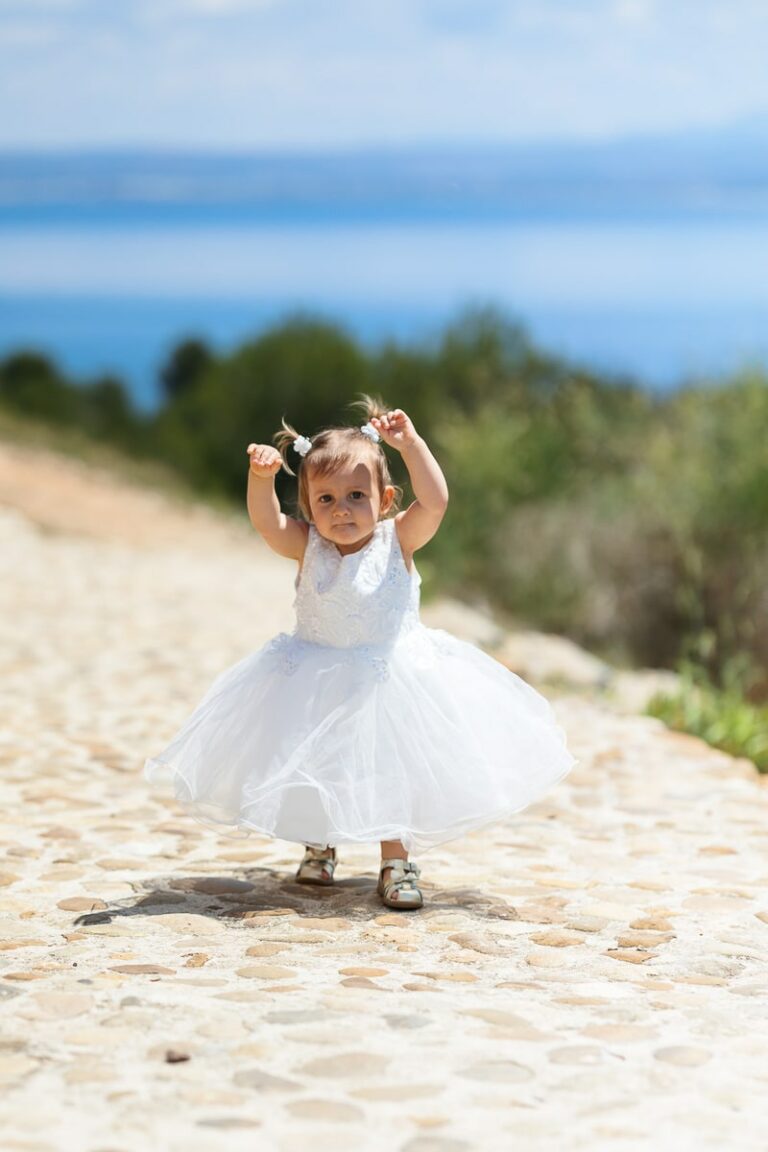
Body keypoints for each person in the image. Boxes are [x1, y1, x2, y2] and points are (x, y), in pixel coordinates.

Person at [144, 395, 577, 910]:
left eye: (355, 495)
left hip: (389, 678)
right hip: (313, 677)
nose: (341, 509)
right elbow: (266, 524)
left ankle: (396, 862)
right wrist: (261, 479)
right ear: (307, 507)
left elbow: (436, 501)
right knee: (312, 762)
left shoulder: (399, 542)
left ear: (386, 498)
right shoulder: (306, 546)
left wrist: (410, 444)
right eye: (325, 499)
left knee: (391, 770)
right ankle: (319, 847)